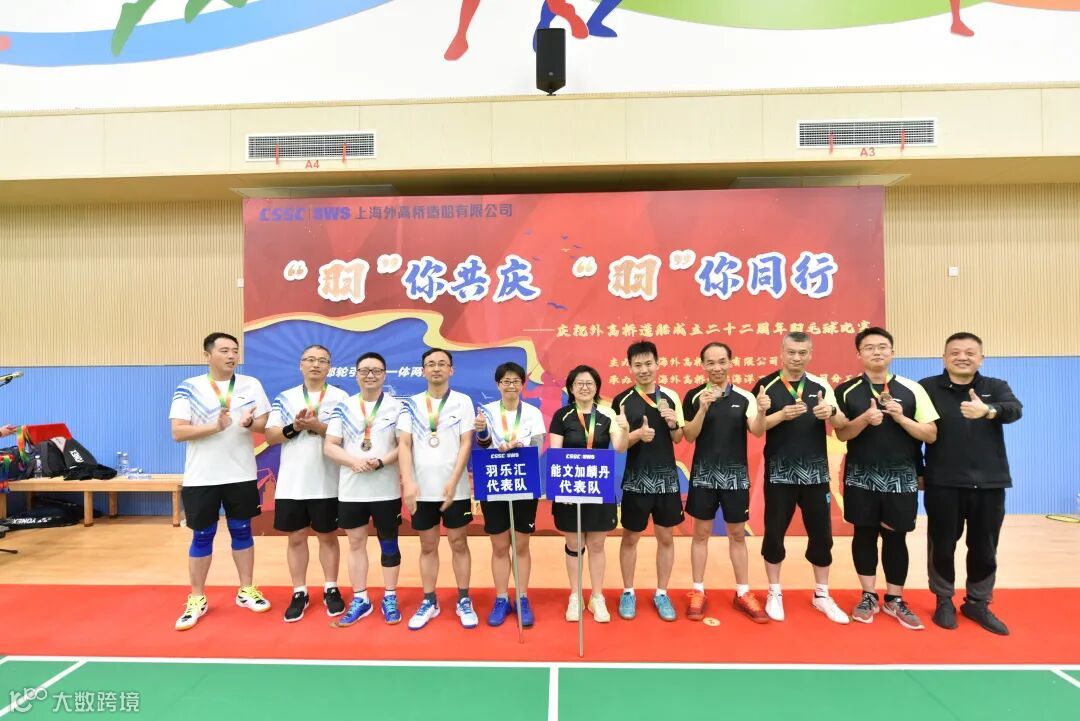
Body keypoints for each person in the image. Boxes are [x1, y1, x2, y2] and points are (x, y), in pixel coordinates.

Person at [835, 328, 938, 630]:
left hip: (901, 478)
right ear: (859, 354)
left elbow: (931, 434)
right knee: (864, 535)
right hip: (860, 476)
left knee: (896, 537)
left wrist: (901, 417)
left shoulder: (913, 389)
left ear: (892, 352)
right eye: (869, 347)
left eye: (882, 347)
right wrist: (865, 419)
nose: (877, 352)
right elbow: (842, 434)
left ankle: (894, 598)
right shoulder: (846, 390)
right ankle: (868, 595)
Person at [920, 332, 1022, 635]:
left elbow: (1015, 410)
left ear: (981, 358)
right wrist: (918, 470)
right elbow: (914, 432)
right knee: (941, 545)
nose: (962, 357)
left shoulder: (995, 387)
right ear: (944, 358)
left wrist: (988, 411)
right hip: (943, 482)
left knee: (985, 547)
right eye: (954, 352)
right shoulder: (927, 388)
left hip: (990, 483)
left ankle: (978, 602)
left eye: (969, 352)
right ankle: (943, 600)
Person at [169, 332, 271, 631]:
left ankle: (246, 590)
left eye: (235, 351)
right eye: (224, 350)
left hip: (241, 474)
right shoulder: (189, 387)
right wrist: (214, 427)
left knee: (242, 531)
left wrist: (251, 423)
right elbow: (178, 432)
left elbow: (265, 425)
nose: (231, 356)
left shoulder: (251, 384)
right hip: (202, 477)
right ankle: (197, 598)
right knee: (202, 536)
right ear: (207, 355)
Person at [752, 331, 850, 625]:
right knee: (774, 533)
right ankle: (774, 591)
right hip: (779, 474)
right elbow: (757, 429)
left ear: (810, 354)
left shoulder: (821, 385)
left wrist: (830, 411)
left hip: (815, 475)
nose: (796, 358)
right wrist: (779, 415)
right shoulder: (765, 385)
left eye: (802, 353)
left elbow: (842, 424)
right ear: (782, 353)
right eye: (791, 352)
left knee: (821, 534)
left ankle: (822, 594)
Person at [682, 342, 769, 623]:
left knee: (737, 535)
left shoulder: (745, 397)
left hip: (735, 477)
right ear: (702, 365)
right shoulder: (694, 396)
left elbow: (757, 431)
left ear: (731, 362)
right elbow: (689, 435)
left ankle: (742, 592)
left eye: (722, 361)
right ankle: (697, 590)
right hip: (703, 475)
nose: (717, 367)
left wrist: (763, 411)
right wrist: (702, 409)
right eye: (710, 362)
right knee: (700, 534)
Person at [264, 345, 350, 623]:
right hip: (293, 482)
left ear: (330, 367)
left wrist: (317, 426)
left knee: (328, 536)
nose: (316, 365)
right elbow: (271, 436)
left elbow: (346, 435)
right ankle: (299, 591)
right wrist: (296, 427)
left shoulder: (341, 398)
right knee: (296, 537)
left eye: (322, 361)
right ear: (300, 365)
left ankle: (331, 587)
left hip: (327, 481)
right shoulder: (285, 397)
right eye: (310, 360)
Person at [397, 348, 478, 630]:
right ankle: (429, 600)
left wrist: (454, 481)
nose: (436, 368)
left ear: (451, 370)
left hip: (455, 489)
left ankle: (464, 598)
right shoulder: (410, 405)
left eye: (442, 364)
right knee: (428, 545)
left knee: (459, 543)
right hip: (422, 491)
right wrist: (408, 482)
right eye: (430, 364)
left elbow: (466, 443)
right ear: (423, 371)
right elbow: (404, 444)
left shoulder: (463, 402)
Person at [324, 352, 405, 626]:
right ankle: (360, 598)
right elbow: (330, 445)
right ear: (356, 374)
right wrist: (353, 462)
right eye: (365, 370)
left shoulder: (397, 407)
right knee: (355, 542)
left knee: (389, 542)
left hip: (386, 490)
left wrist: (382, 461)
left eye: (376, 370)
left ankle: (390, 596)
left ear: (384, 374)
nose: (370, 375)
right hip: (352, 489)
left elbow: (404, 446)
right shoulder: (343, 407)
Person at [612, 340, 685, 622]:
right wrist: (637, 436)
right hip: (636, 480)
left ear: (657, 364)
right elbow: (620, 446)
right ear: (629, 367)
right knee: (630, 537)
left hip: (667, 480)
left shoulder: (671, 396)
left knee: (666, 538)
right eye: (638, 365)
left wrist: (673, 423)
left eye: (648, 364)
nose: (644, 369)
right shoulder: (622, 400)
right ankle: (628, 591)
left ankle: (662, 593)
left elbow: (679, 438)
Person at [549, 365, 628, 623]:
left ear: (596, 387)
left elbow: (619, 447)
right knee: (574, 544)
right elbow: (555, 453)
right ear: (571, 388)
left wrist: (625, 428)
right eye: (579, 383)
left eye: (589, 383)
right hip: (570, 488)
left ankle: (597, 596)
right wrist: (561, 487)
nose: (584, 387)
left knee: (596, 544)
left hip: (598, 487)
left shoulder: (608, 413)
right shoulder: (562, 416)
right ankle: (575, 595)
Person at [475, 361, 547, 627]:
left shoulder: (532, 413)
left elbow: (538, 445)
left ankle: (522, 597)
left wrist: (520, 446)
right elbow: (483, 444)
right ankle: (502, 598)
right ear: (498, 385)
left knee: (521, 544)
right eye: (506, 381)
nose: (511, 386)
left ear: (522, 384)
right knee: (499, 545)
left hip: (523, 482)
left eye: (516, 381)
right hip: (494, 482)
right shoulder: (487, 412)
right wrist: (482, 430)